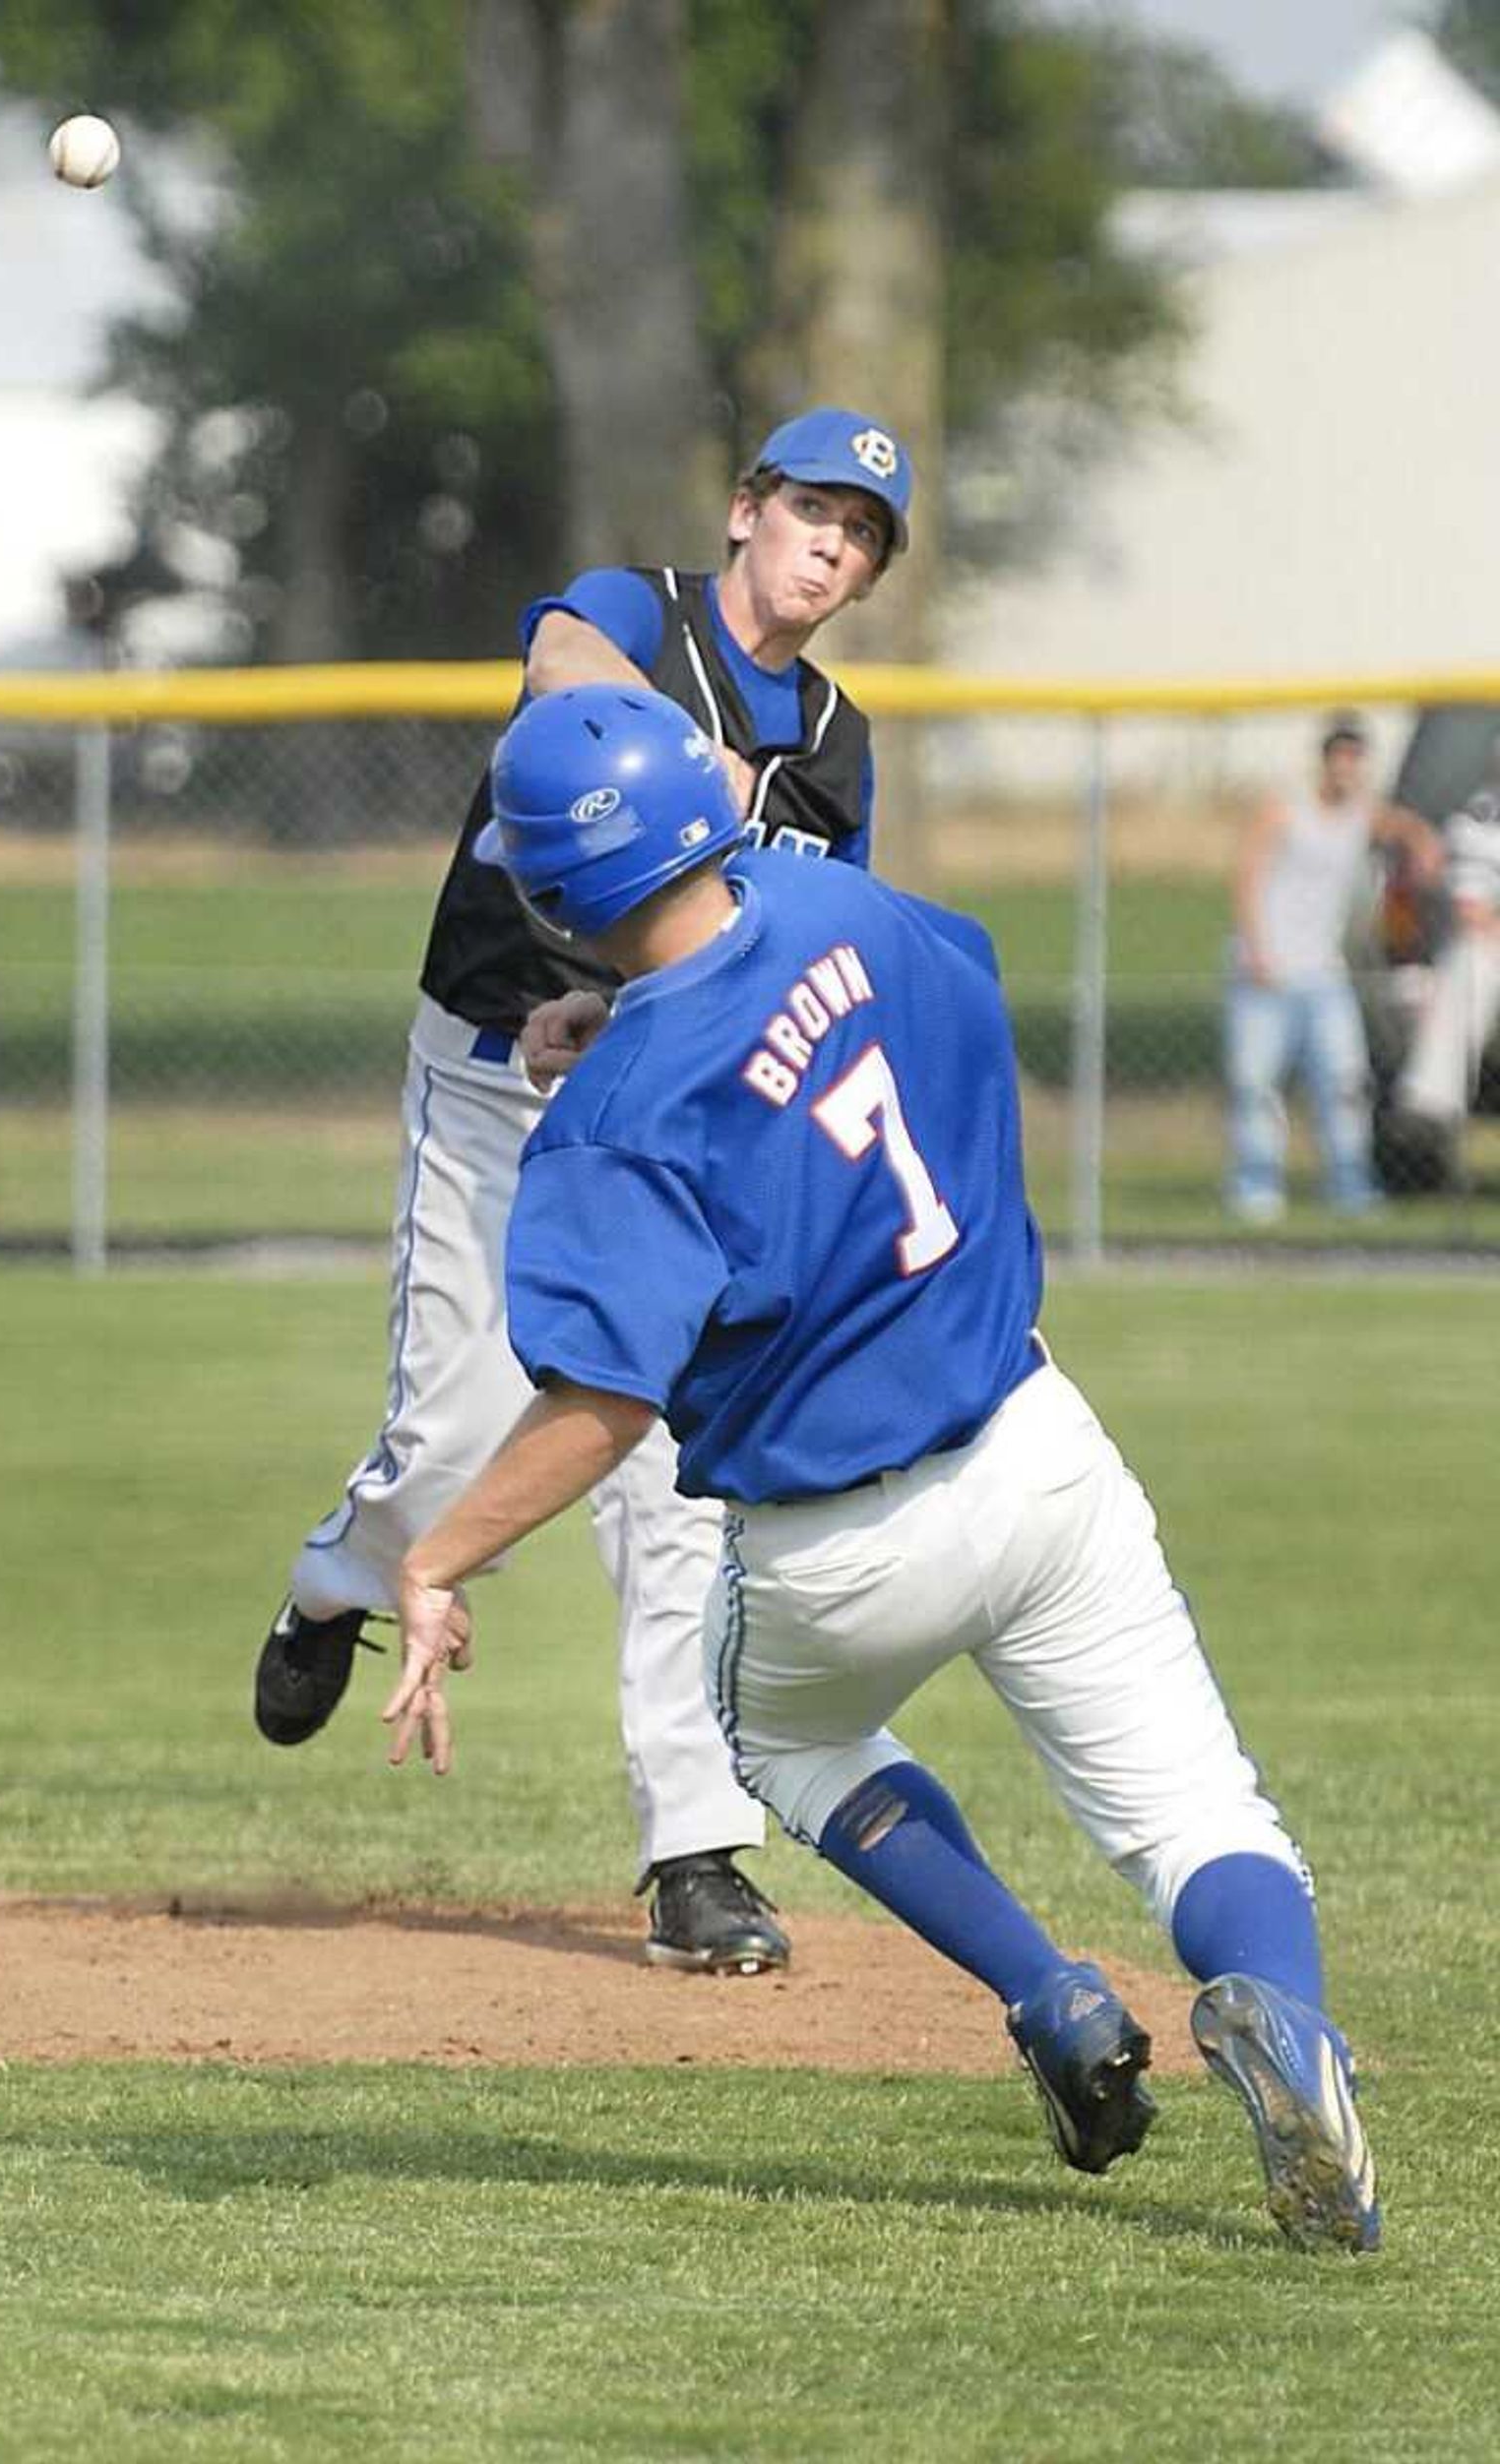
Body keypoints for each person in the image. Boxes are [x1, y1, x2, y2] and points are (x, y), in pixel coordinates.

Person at [380, 683, 1381, 2255]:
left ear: (546, 892)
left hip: (835, 1550)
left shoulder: (618, 1124)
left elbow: (600, 1400)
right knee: (1195, 1810)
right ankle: (1293, 2026)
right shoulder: (836, 898)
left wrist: (434, 1563)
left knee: (780, 1738)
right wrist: (642, 1015)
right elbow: (900, 1005)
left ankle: (1049, 1994)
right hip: (1034, 1449)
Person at [254, 408, 915, 1977]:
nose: (833, 543)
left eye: (865, 532)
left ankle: (697, 1855)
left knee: (672, 1489)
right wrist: (694, 770)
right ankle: (341, 1578)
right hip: (489, 1073)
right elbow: (558, 670)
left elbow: (800, 932)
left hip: (664, 1111)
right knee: (455, 1431)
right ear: (747, 506)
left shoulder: (833, 746)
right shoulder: (639, 613)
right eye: (814, 507)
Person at [1224, 710, 1440, 1221]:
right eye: (1339, 758)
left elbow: (1404, 827)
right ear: (1324, 761)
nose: (1347, 769)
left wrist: (1424, 845)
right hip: (1269, 969)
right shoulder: (1285, 811)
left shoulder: (1362, 815)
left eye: (1355, 760)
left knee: (1344, 1081)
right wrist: (1258, 949)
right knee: (1256, 1081)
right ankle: (1256, 1184)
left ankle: (1349, 1182)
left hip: (1323, 972)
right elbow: (1248, 878)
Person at [1391, 730, 1500, 1165]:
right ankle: (1429, 1105)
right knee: (1471, 963)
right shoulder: (1477, 822)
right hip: (1489, 951)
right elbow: (1472, 911)